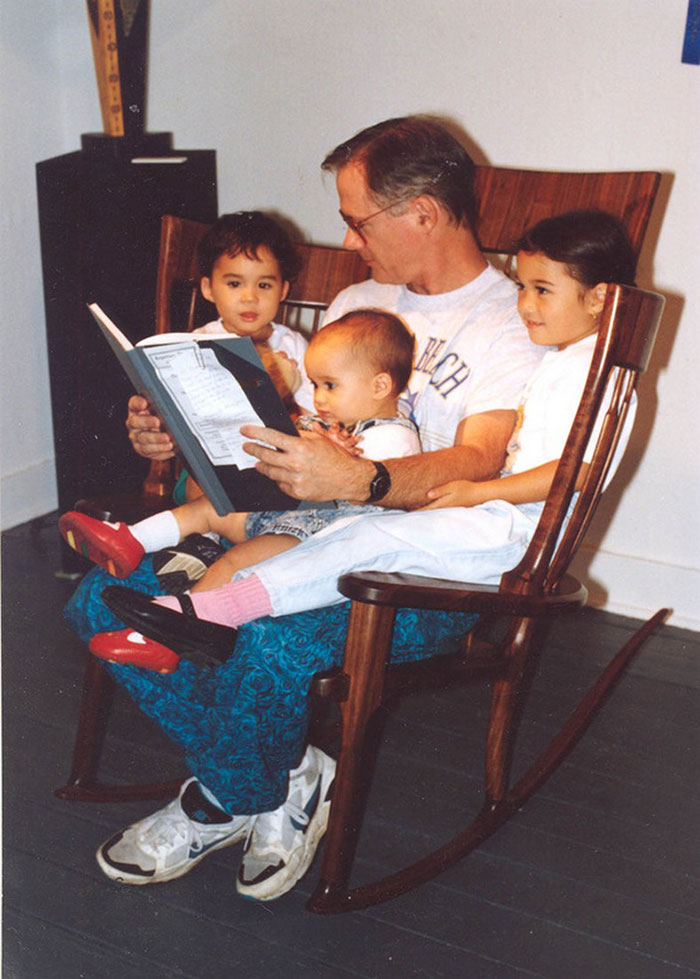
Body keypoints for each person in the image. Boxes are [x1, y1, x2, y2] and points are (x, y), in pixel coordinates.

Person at [64, 115, 545, 902]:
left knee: (266, 641)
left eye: (358, 220)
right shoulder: (361, 297)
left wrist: (363, 480)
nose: (349, 240)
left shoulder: (510, 322)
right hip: (297, 533)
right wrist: (172, 435)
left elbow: (479, 458)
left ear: (422, 212)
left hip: (412, 566)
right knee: (99, 599)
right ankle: (275, 778)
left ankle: (219, 797)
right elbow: (294, 431)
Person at [91, 207, 638, 655]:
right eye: (522, 286)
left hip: (515, 534)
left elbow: (579, 472)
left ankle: (213, 611)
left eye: (542, 290)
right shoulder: (566, 361)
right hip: (492, 519)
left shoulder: (594, 374)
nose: (525, 304)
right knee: (351, 536)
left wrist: (477, 492)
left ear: (598, 298)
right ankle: (198, 610)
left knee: (365, 539)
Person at [60, 309, 420, 670]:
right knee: (213, 509)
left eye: (330, 386)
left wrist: (333, 453)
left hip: (316, 541)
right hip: (288, 515)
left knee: (234, 561)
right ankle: (130, 540)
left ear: (380, 386)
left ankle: (168, 637)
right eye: (314, 385)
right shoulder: (335, 424)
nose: (318, 398)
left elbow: (360, 485)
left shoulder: (394, 437)